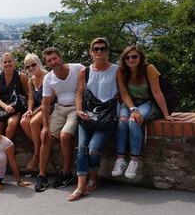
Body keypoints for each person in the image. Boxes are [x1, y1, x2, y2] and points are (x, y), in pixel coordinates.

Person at [112, 45, 176, 180]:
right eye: (127, 57)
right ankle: (120, 159)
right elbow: (124, 94)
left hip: (146, 102)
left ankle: (134, 160)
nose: (131, 60)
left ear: (140, 57)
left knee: (134, 122)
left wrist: (166, 114)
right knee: (121, 122)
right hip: (129, 103)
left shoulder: (149, 69)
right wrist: (133, 109)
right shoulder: (122, 71)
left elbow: (157, 93)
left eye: (134, 56)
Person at [68, 38, 119, 201]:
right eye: (96, 49)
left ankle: (94, 177)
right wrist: (78, 110)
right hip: (88, 115)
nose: (99, 52)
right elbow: (79, 94)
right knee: (81, 148)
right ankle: (81, 185)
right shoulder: (86, 71)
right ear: (91, 52)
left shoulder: (116, 70)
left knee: (93, 149)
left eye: (102, 49)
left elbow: (124, 92)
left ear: (107, 51)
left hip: (106, 117)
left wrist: (130, 109)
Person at [34, 47, 84, 193]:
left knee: (65, 136)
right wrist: (45, 126)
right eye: (49, 61)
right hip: (60, 108)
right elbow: (45, 103)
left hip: (75, 108)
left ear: (61, 58)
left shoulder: (78, 68)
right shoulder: (49, 78)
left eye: (54, 58)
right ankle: (42, 175)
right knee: (46, 137)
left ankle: (66, 172)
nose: (52, 62)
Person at [20, 53, 51, 171]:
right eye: (28, 67)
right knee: (23, 122)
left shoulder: (48, 76)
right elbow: (31, 98)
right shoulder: (30, 80)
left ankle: (37, 153)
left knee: (33, 122)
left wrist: (34, 111)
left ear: (39, 63)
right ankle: (42, 146)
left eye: (33, 65)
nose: (31, 68)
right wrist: (29, 109)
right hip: (37, 106)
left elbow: (47, 100)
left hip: (49, 106)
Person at [0, 52, 28, 140]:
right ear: (1, 64)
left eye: (9, 61)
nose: (7, 64)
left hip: (16, 106)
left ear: (14, 62)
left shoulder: (21, 77)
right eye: (5, 62)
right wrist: (5, 106)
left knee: (12, 123)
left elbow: (26, 93)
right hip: (1, 106)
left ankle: (7, 146)